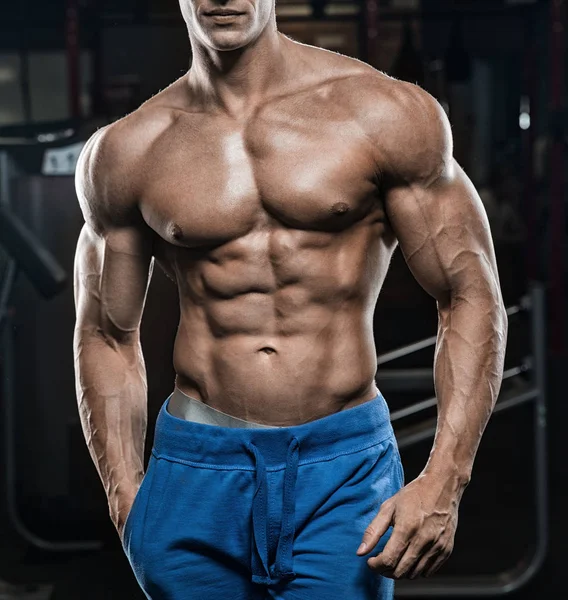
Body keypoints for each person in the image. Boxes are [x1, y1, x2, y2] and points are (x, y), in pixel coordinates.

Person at [72, 1, 507, 599]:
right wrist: (127, 504)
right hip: (196, 469)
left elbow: (469, 292)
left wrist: (446, 479)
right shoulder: (127, 150)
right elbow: (104, 333)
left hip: (341, 468)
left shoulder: (382, 114)